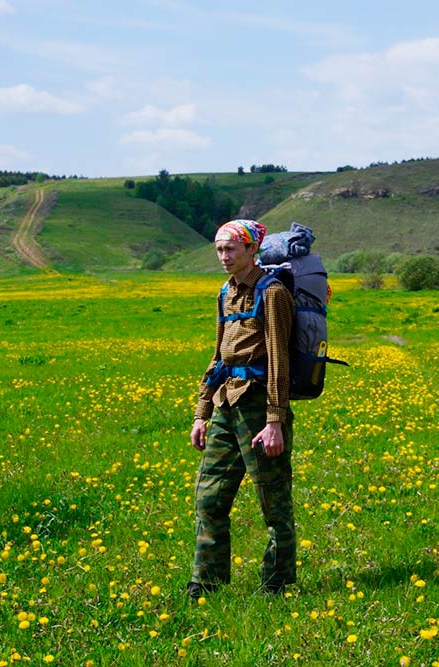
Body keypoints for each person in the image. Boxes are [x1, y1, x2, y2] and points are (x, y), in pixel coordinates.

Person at [188, 219, 296, 597]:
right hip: (225, 404)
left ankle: (276, 584)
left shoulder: (274, 293)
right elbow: (218, 354)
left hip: (258, 407)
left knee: (273, 501)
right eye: (219, 249)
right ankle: (206, 583)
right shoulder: (225, 293)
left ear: (252, 250)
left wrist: (275, 421)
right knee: (209, 497)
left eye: (231, 249)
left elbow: (280, 360)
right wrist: (202, 411)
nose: (224, 256)